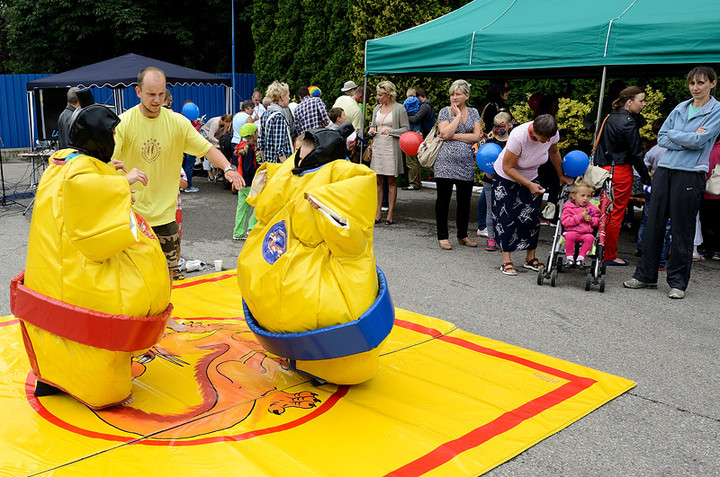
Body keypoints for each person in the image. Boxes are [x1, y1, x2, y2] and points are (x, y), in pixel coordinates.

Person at [14, 88, 171, 408]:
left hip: (55, 273)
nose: (115, 139)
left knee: (59, 336)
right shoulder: (76, 175)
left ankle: (54, 377)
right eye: (111, 134)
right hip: (72, 276)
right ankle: (89, 385)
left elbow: (88, 179)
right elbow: (92, 217)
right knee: (105, 322)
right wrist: (122, 184)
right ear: (99, 139)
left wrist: (110, 173)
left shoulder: (63, 163)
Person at [237, 123, 389, 385]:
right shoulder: (307, 173)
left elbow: (346, 227)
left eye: (301, 150)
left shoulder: (312, 173)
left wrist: (324, 205)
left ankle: (310, 359)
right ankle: (312, 361)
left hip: (291, 289)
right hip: (301, 292)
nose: (298, 154)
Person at [112, 66, 244, 285]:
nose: (156, 100)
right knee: (131, 275)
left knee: (168, 271)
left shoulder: (177, 123)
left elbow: (206, 149)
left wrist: (228, 168)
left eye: (161, 94)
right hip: (131, 215)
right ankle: (135, 317)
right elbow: (107, 164)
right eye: (151, 94)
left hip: (165, 216)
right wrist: (120, 183)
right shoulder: (123, 123)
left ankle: (166, 316)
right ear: (138, 92)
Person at [624, 66, 720, 299]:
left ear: (712, 84)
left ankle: (677, 282)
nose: (695, 88)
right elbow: (663, 136)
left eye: (700, 83)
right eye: (692, 84)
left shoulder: (716, 110)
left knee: (681, 230)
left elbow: (699, 141)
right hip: (665, 170)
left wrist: (678, 136)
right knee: (654, 224)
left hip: (690, 173)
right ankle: (645, 276)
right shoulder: (681, 107)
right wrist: (685, 137)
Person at [493, 114, 573, 276]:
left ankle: (530, 258)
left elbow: (554, 152)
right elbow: (508, 167)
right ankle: (506, 260)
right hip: (506, 177)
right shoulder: (519, 136)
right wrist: (528, 185)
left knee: (532, 216)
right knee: (507, 218)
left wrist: (560, 176)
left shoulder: (551, 134)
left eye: (548, 138)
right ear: (534, 131)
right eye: (542, 138)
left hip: (531, 175)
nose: (545, 142)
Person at [593, 86, 652, 266]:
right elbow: (636, 154)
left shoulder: (609, 117)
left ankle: (596, 248)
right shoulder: (628, 122)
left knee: (602, 210)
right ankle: (609, 254)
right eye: (641, 100)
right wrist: (646, 177)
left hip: (603, 169)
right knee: (615, 214)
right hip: (619, 171)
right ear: (629, 102)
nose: (643, 104)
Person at [433, 79, 482, 250]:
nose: (454, 97)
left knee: (464, 201)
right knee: (443, 200)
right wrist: (458, 117)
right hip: (445, 162)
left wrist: (452, 136)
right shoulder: (444, 112)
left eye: (458, 94)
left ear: (466, 96)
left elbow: (476, 136)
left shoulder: (474, 112)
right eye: (452, 94)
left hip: (465, 163)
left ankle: (462, 235)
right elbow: (444, 132)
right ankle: (443, 236)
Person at [368, 80, 409, 225]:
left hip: (392, 148)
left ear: (389, 94)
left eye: (380, 95)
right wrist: (371, 130)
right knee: (378, 180)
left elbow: (406, 128)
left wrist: (392, 131)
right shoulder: (376, 109)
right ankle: (378, 211)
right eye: (377, 95)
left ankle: (390, 212)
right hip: (378, 146)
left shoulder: (399, 109)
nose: (378, 97)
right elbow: (373, 125)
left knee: (391, 181)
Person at [477, 111, 513, 251]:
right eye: (496, 125)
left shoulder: (512, 142)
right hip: (489, 180)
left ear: (509, 125)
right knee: (490, 209)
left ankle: (505, 237)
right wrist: (487, 171)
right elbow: (483, 157)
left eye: (501, 125)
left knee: (506, 209)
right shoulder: (489, 140)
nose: (498, 128)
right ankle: (491, 238)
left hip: (507, 180)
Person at [560, 181, 600, 269]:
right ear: (574, 196)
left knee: (590, 238)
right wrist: (578, 217)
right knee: (570, 236)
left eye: (588, 196)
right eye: (582, 196)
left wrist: (591, 220)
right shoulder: (569, 208)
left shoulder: (591, 209)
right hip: (571, 231)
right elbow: (565, 222)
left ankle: (580, 258)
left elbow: (597, 221)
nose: (585, 199)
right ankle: (569, 258)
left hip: (585, 233)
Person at [405, 88, 435, 191]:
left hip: (416, 135)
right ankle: (416, 183)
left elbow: (416, 119)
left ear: (419, 96)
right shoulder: (428, 106)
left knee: (412, 160)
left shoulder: (425, 106)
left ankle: (414, 183)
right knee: (415, 160)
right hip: (422, 135)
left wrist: (404, 116)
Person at [233, 123, 259, 240]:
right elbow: (249, 168)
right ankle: (252, 228)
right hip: (249, 182)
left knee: (242, 208)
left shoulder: (241, 147)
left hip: (241, 181)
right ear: (253, 135)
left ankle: (238, 233)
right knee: (258, 204)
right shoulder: (250, 150)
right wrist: (258, 169)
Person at [257, 81, 294, 164]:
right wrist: (286, 166)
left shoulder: (266, 113)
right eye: (288, 96)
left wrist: (264, 161)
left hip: (269, 162)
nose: (289, 98)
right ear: (282, 97)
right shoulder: (279, 116)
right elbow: (279, 147)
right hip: (278, 165)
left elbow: (261, 141)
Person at [700, 134, 720, 260]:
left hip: (704, 190)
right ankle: (717, 250)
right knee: (716, 222)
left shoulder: (705, 147)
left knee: (705, 221)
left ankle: (705, 248)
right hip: (716, 192)